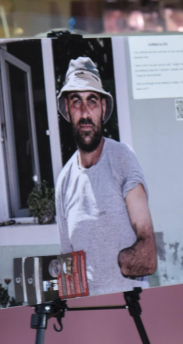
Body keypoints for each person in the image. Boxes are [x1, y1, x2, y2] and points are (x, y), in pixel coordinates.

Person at [54, 56, 156, 296]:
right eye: (76, 101)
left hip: (130, 305)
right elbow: (68, 267)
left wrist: (118, 262)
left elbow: (148, 254)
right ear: (67, 109)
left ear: (102, 108)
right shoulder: (64, 181)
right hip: (89, 312)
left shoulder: (122, 158)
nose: (85, 111)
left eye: (92, 100)